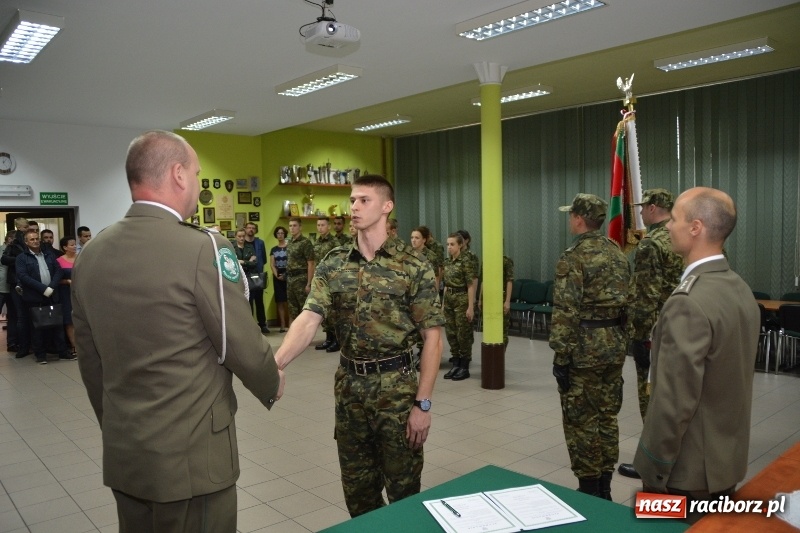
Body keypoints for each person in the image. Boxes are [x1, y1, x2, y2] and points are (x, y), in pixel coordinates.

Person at [72, 130, 283, 533]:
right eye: (199, 174)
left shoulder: (91, 255)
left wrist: (120, 425)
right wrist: (272, 381)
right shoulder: (203, 247)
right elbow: (238, 342)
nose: (200, 185)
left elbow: (90, 362)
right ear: (179, 175)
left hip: (127, 453)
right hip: (193, 461)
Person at [274, 174, 444, 518]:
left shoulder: (413, 266)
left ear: (386, 207)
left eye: (363, 200)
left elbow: (433, 339)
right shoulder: (334, 263)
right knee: (358, 495)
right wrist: (275, 364)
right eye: (352, 200)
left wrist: (422, 405)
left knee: (404, 494)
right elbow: (309, 318)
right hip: (350, 388)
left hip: (397, 389)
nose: (353, 207)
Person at [633, 187, 760, 523]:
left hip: (685, 474)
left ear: (696, 228)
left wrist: (654, 472)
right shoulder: (738, 287)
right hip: (724, 463)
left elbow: (674, 402)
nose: (668, 226)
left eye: (674, 218)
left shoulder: (688, 302)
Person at [550, 193, 629, 501]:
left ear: (580, 219)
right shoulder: (617, 252)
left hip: (583, 351)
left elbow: (566, 311)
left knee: (581, 420)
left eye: (572, 215)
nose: (570, 219)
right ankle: (605, 487)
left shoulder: (574, 257)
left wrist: (561, 355)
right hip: (613, 346)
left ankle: (588, 490)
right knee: (608, 416)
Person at [617, 189, 683, 480]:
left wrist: (642, 336)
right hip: (684, 327)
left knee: (651, 398)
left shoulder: (651, 245)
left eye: (643, 207)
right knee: (676, 397)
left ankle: (653, 465)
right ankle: (679, 458)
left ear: (654, 208)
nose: (641, 212)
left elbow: (646, 295)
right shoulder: (685, 239)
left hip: (656, 331)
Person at [15, 230, 74, 364]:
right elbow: (23, 277)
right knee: (38, 328)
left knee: (57, 325)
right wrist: (43, 289)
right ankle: (40, 355)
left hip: (53, 295)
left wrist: (51, 287)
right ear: (26, 242)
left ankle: (63, 352)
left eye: (37, 239)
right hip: (35, 297)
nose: (35, 241)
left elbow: (58, 271)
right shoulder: (21, 258)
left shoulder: (49, 254)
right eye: (32, 239)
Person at [442, 232, 478, 380]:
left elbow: (470, 285)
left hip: (462, 298)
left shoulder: (466, 261)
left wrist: (471, 306)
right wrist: (443, 304)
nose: (449, 247)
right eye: (448, 244)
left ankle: (464, 365)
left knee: (463, 333)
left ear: (460, 245)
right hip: (449, 297)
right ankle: (455, 363)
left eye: (452, 244)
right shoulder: (448, 262)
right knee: (451, 332)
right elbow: (446, 285)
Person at [1, 218, 28, 354]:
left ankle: (17, 343)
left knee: (17, 315)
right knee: (16, 315)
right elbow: (4, 260)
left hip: (19, 285)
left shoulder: (25, 246)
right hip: (7, 286)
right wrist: (21, 260)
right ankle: (16, 343)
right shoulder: (9, 248)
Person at [313, 217, 340, 352]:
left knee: (333, 311)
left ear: (328, 227)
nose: (320, 227)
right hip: (321, 280)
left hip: (332, 279)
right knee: (325, 311)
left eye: (323, 225)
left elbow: (338, 261)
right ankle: (328, 338)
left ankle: (336, 339)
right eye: (318, 225)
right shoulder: (316, 242)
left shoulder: (334, 242)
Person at [478, 255, 514, 350]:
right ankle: (490, 355)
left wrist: (507, 301)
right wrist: (480, 299)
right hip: (488, 299)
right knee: (487, 329)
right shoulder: (486, 260)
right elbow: (483, 281)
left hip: (501, 298)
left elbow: (509, 281)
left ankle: (500, 355)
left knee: (502, 330)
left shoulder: (506, 261)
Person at [285, 217, 315, 321]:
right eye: (290, 226)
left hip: (301, 278)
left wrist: (309, 283)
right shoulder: (289, 242)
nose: (292, 228)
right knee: (292, 308)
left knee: (304, 308)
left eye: (294, 226)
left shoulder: (305, 242)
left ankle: (306, 335)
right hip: (290, 278)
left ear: (300, 227)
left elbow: (311, 263)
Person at [244, 222, 269, 334]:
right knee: (248, 302)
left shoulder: (260, 243)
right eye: (249, 228)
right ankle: (250, 326)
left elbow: (263, 259)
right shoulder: (241, 243)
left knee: (259, 301)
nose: (251, 230)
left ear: (256, 230)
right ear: (245, 229)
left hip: (257, 275)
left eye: (253, 228)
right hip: (246, 276)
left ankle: (263, 324)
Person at [56, 236, 78, 355]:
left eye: (75, 244)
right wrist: (68, 281)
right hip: (65, 292)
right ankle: (74, 346)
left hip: (79, 292)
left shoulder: (80, 257)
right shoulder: (59, 260)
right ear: (65, 247)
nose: (74, 247)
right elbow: (56, 279)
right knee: (69, 319)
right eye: (71, 245)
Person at [270, 226, 290, 332]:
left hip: (289, 275)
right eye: (278, 233)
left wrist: (286, 275)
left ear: (285, 234)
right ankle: (282, 325)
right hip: (277, 276)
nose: (280, 235)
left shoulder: (289, 247)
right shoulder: (274, 249)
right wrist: (277, 275)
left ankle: (291, 324)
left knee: (289, 301)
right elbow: (272, 264)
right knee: (280, 301)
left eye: (282, 233)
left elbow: (292, 262)